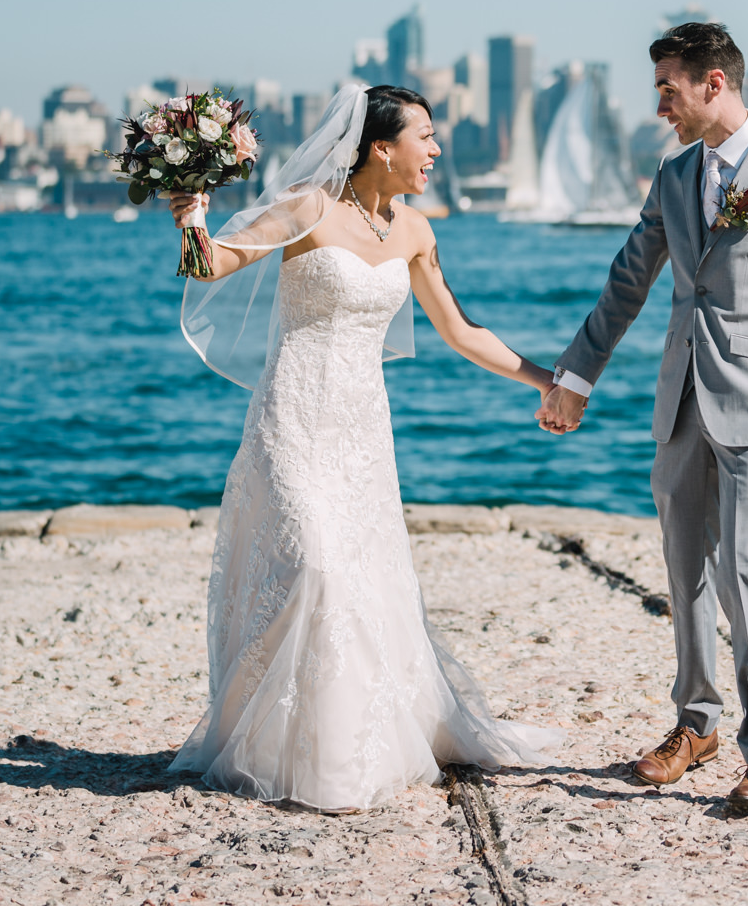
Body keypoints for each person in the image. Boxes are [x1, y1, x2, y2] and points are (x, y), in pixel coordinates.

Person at [164, 84, 562, 813]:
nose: (436, 151)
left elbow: (462, 330)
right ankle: (269, 742)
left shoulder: (413, 231)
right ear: (383, 147)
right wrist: (191, 212)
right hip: (291, 416)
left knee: (359, 579)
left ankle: (341, 751)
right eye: (426, 138)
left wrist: (549, 381)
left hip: (361, 430)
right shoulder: (309, 208)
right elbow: (208, 266)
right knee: (311, 563)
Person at [537, 22, 748, 810]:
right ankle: (696, 724)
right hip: (679, 397)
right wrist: (577, 375)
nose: (660, 107)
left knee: (746, 569)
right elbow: (628, 281)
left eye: (667, 89)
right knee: (684, 568)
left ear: (712, 82)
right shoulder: (674, 174)